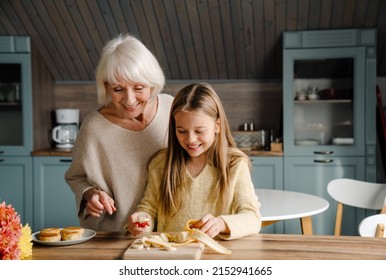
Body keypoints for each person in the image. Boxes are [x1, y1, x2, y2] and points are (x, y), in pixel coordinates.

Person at [65, 34, 173, 231]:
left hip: (167, 231)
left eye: (139, 88)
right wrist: (90, 193)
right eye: (118, 89)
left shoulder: (172, 109)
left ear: (152, 83)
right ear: (106, 87)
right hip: (114, 234)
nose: (129, 100)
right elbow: (76, 177)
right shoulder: (93, 128)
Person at [127, 83, 261, 240]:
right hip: (172, 256)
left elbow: (252, 217)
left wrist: (220, 224)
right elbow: (149, 209)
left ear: (217, 125)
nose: (190, 139)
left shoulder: (234, 164)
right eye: (181, 131)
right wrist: (142, 221)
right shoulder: (160, 164)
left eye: (199, 131)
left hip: (215, 257)